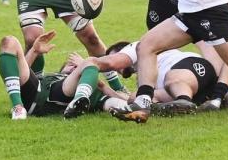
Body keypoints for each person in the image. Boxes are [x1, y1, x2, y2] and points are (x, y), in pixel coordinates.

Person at [0, 30, 127, 120]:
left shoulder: (93, 89)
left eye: (77, 66)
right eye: (71, 64)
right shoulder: (51, 77)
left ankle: (77, 100)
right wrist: (34, 51)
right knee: (9, 42)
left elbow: (120, 102)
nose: (74, 66)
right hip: (34, 93)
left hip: (63, 94)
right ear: (62, 69)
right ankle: (18, 108)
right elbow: (22, 75)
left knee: (90, 62)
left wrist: (101, 85)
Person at [84, 41, 218, 116]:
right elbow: (131, 101)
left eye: (116, 56)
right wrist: (103, 88)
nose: (116, 69)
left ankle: (184, 102)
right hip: (191, 90)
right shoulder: (143, 77)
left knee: (172, 79)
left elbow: (110, 63)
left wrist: (88, 64)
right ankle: (182, 104)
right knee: (137, 98)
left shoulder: (137, 47)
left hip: (191, 67)